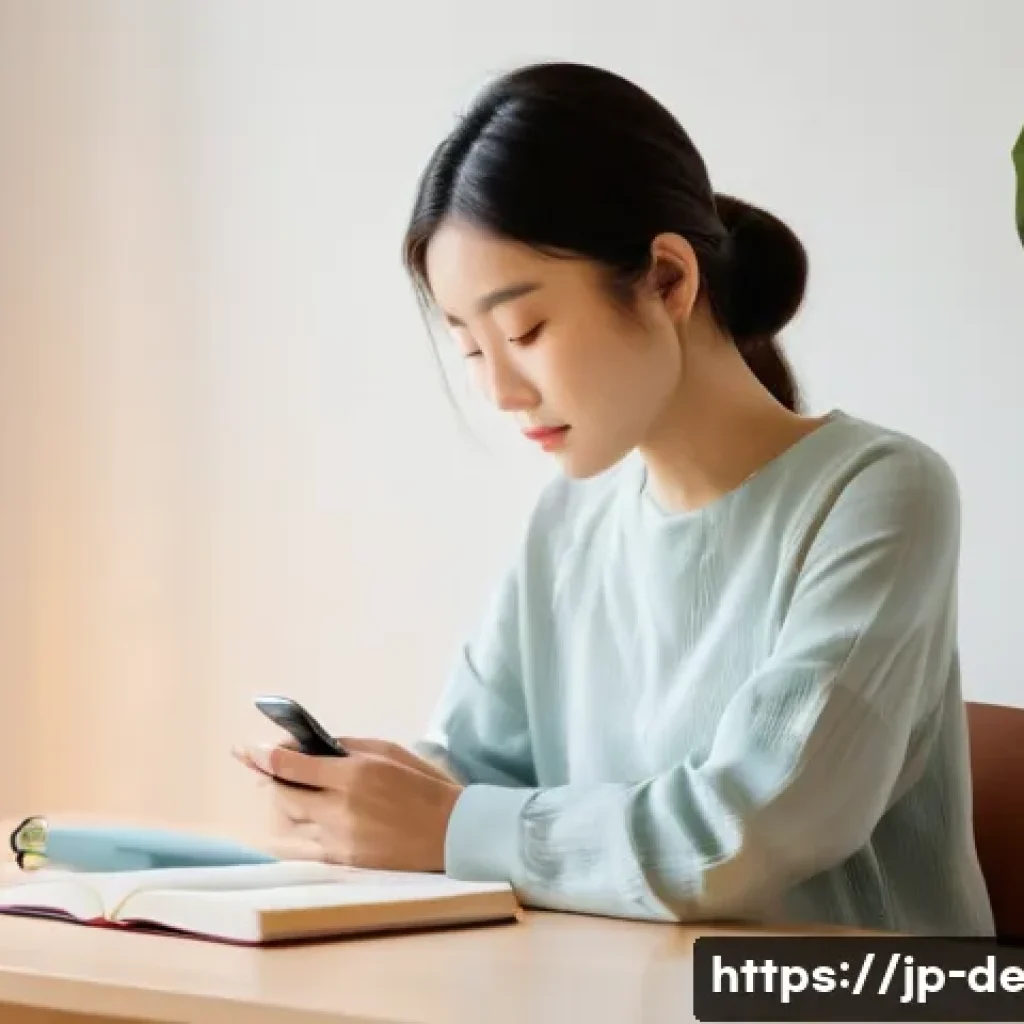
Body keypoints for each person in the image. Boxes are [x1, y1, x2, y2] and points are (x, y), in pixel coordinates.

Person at [235, 61, 994, 937]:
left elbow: (748, 834)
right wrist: (369, 799)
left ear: (669, 280)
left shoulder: (878, 493)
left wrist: (445, 825)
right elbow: (481, 776)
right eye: (472, 349)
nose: (503, 392)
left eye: (525, 330)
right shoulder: (570, 524)